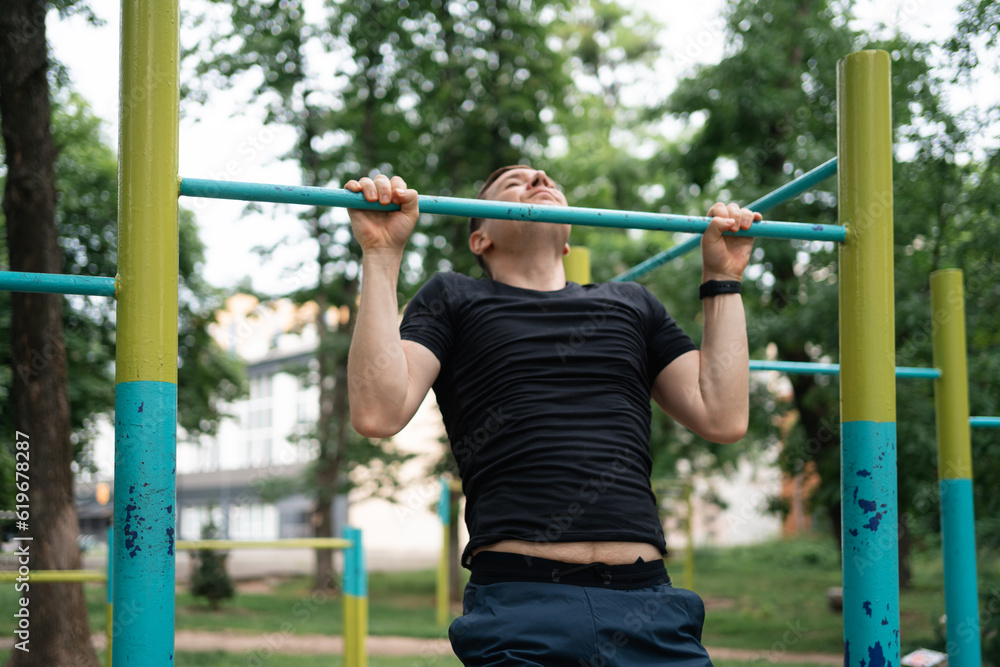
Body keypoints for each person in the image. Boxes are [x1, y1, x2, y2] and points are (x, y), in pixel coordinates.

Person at [346, 166, 760, 666]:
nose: (538, 176)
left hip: (645, 604)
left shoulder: (632, 304)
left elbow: (723, 416)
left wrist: (723, 278)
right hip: (521, 602)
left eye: (544, 179)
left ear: (568, 241)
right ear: (481, 237)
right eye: (512, 182)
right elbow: (376, 412)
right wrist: (382, 253)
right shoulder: (454, 297)